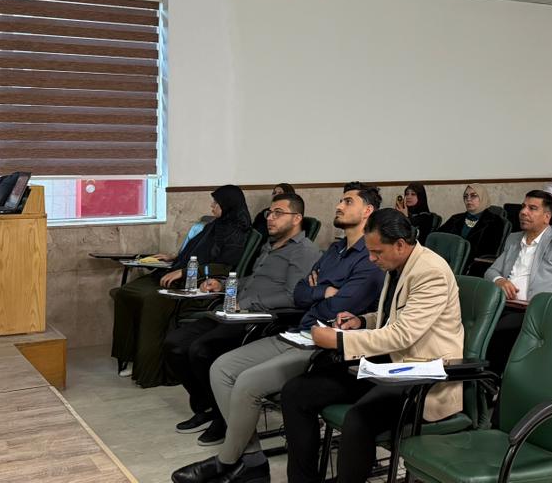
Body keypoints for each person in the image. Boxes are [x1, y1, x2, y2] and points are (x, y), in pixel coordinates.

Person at [170, 183, 383, 483]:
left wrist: (317, 290)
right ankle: (252, 460)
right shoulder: (335, 250)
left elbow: (342, 304)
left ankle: (226, 461)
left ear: (367, 211)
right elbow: (300, 293)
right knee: (221, 368)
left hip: (323, 344)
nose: (339, 205)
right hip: (297, 331)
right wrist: (322, 291)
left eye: (348, 201)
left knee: (247, 382)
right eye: (340, 200)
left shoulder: (370, 257)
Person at [280, 208, 464, 483]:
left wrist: (339, 340)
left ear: (400, 244)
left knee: (358, 420)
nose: (371, 258)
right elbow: (394, 315)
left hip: (420, 377)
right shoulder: (398, 263)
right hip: (387, 365)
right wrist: (362, 321)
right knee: (296, 392)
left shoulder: (431, 272)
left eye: (377, 252)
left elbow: (402, 334)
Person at [162, 192, 320, 445]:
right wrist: (224, 284)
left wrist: (245, 304)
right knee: (174, 344)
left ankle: (223, 419)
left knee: (201, 350)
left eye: (278, 213)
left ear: (297, 218)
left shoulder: (304, 251)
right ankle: (208, 406)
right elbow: (253, 281)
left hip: (259, 320)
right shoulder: (269, 245)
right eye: (269, 212)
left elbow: (293, 296)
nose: (270, 218)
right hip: (234, 311)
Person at [112, 185, 250, 387]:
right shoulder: (215, 225)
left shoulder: (237, 233)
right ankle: (129, 356)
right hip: (182, 274)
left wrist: (185, 272)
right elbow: (195, 248)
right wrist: (175, 257)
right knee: (126, 292)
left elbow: (224, 266)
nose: (212, 206)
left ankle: (151, 369)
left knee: (152, 299)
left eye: (216, 203)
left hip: (200, 284)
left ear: (228, 204)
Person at [483, 189, 552, 371]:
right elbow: (491, 271)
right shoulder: (514, 238)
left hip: (536, 312)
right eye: (523, 207)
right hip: (506, 305)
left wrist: (542, 304)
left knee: (494, 328)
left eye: (532, 208)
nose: (523, 212)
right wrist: (499, 280)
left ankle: (491, 378)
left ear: (547, 217)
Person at [436, 183, 507, 274]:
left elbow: (489, 250)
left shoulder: (495, 221)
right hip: (447, 262)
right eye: (466, 196)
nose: (468, 199)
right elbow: (437, 239)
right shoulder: (455, 218)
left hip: (474, 267)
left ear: (483, 197)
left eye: (473, 196)